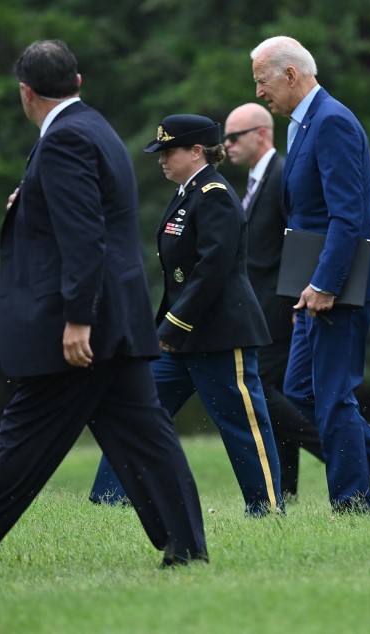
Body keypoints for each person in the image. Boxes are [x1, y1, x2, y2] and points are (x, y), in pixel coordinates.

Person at [0, 40, 207, 574]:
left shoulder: (64, 140)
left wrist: (77, 318)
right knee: (148, 440)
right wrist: (30, 199)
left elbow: (84, 236)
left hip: (83, 327)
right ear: (77, 82)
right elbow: (94, 213)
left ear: (25, 92)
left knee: (21, 446)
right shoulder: (95, 127)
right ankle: (186, 547)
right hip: (118, 319)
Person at [250, 35, 370, 513]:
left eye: (262, 81)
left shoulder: (333, 122)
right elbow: (305, 217)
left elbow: (346, 216)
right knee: (301, 394)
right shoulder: (302, 124)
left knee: (331, 396)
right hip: (313, 287)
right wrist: (303, 290)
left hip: (344, 284)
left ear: (291, 75)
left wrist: (326, 284)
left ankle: (353, 506)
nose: (258, 93)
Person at [89, 114, 284, 516]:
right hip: (181, 337)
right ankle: (109, 500)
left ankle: (266, 509)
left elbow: (212, 268)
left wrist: (174, 325)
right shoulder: (187, 191)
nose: (161, 159)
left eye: (169, 151)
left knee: (242, 425)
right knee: (137, 410)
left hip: (218, 334)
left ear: (197, 152)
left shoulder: (214, 194)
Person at [223, 102, 324, 501]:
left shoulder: (281, 176)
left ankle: (350, 454)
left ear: (262, 134)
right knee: (274, 393)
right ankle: (287, 490)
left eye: (234, 137)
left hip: (280, 309)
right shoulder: (254, 182)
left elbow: (300, 237)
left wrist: (299, 299)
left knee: (260, 390)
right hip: (262, 310)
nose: (226, 144)